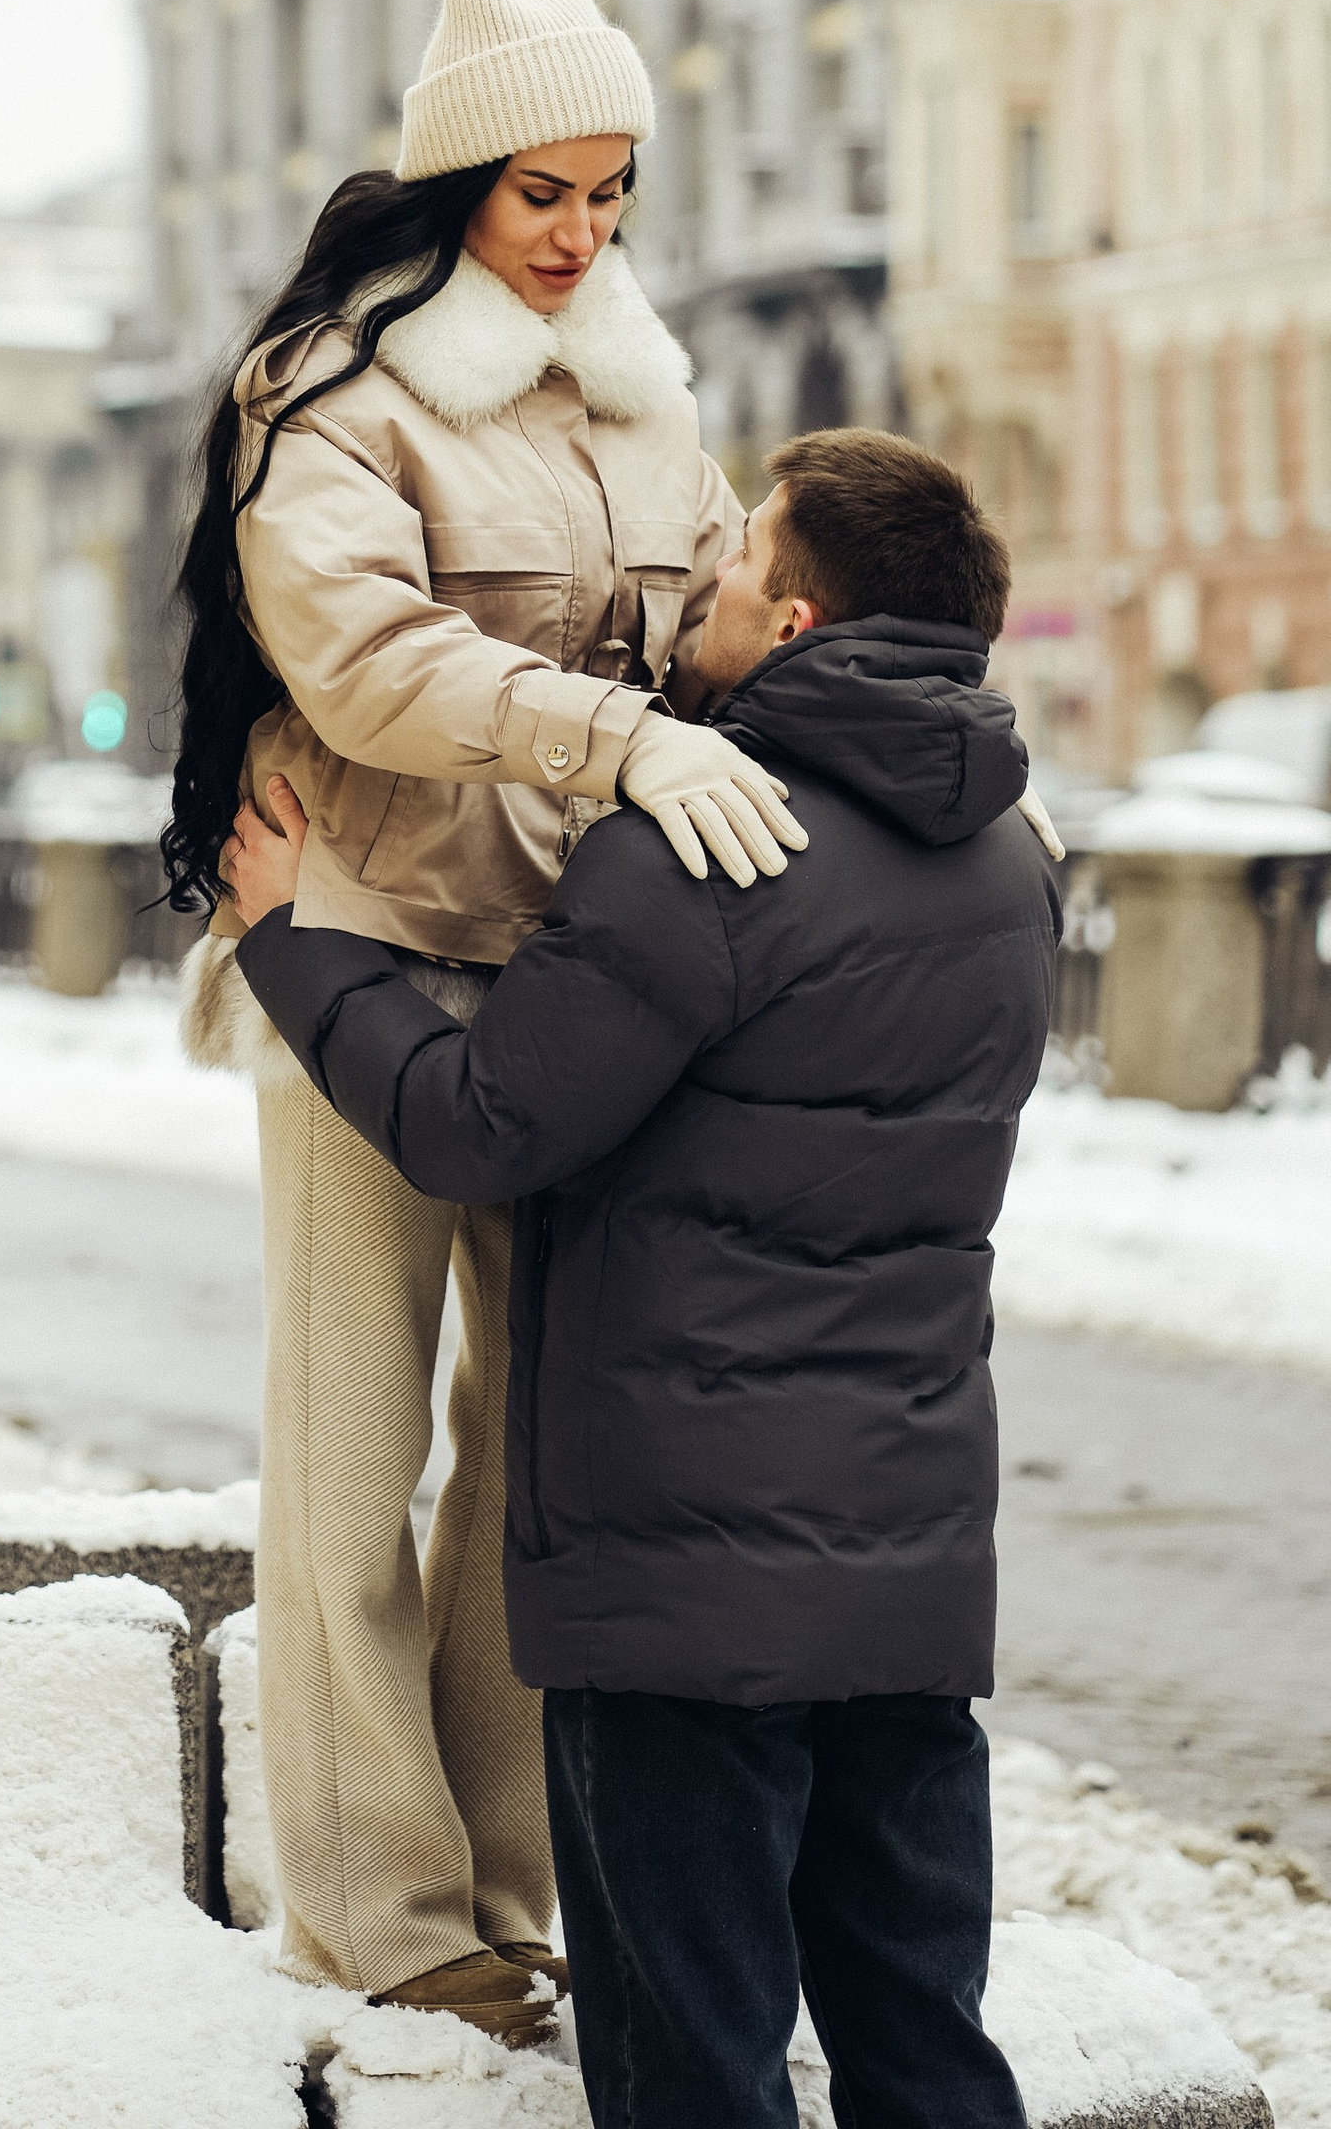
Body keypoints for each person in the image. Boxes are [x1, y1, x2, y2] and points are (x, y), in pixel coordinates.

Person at [221, 427, 1062, 2128]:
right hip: (905, 1581)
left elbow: (478, 1123)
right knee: (925, 2050)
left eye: (743, 557)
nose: (708, 579)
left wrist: (291, 943)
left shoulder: (700, 848)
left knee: (694, 2067)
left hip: (678, 1592)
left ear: (802, 621)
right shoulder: (1013, 861)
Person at [162, 0, 802, 2045]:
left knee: (541, 1458)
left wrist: (928, 778)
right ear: (458, 186)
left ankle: (510, 1893)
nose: (579, 233)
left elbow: (737, 628)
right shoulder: (329, 398)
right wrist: (606, 733)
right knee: (350, 1453)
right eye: (544, 193)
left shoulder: (642, 402)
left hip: (577, 989)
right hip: (350, 944)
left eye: (610, 194)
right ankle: (372, 1907)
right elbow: (359, 659)